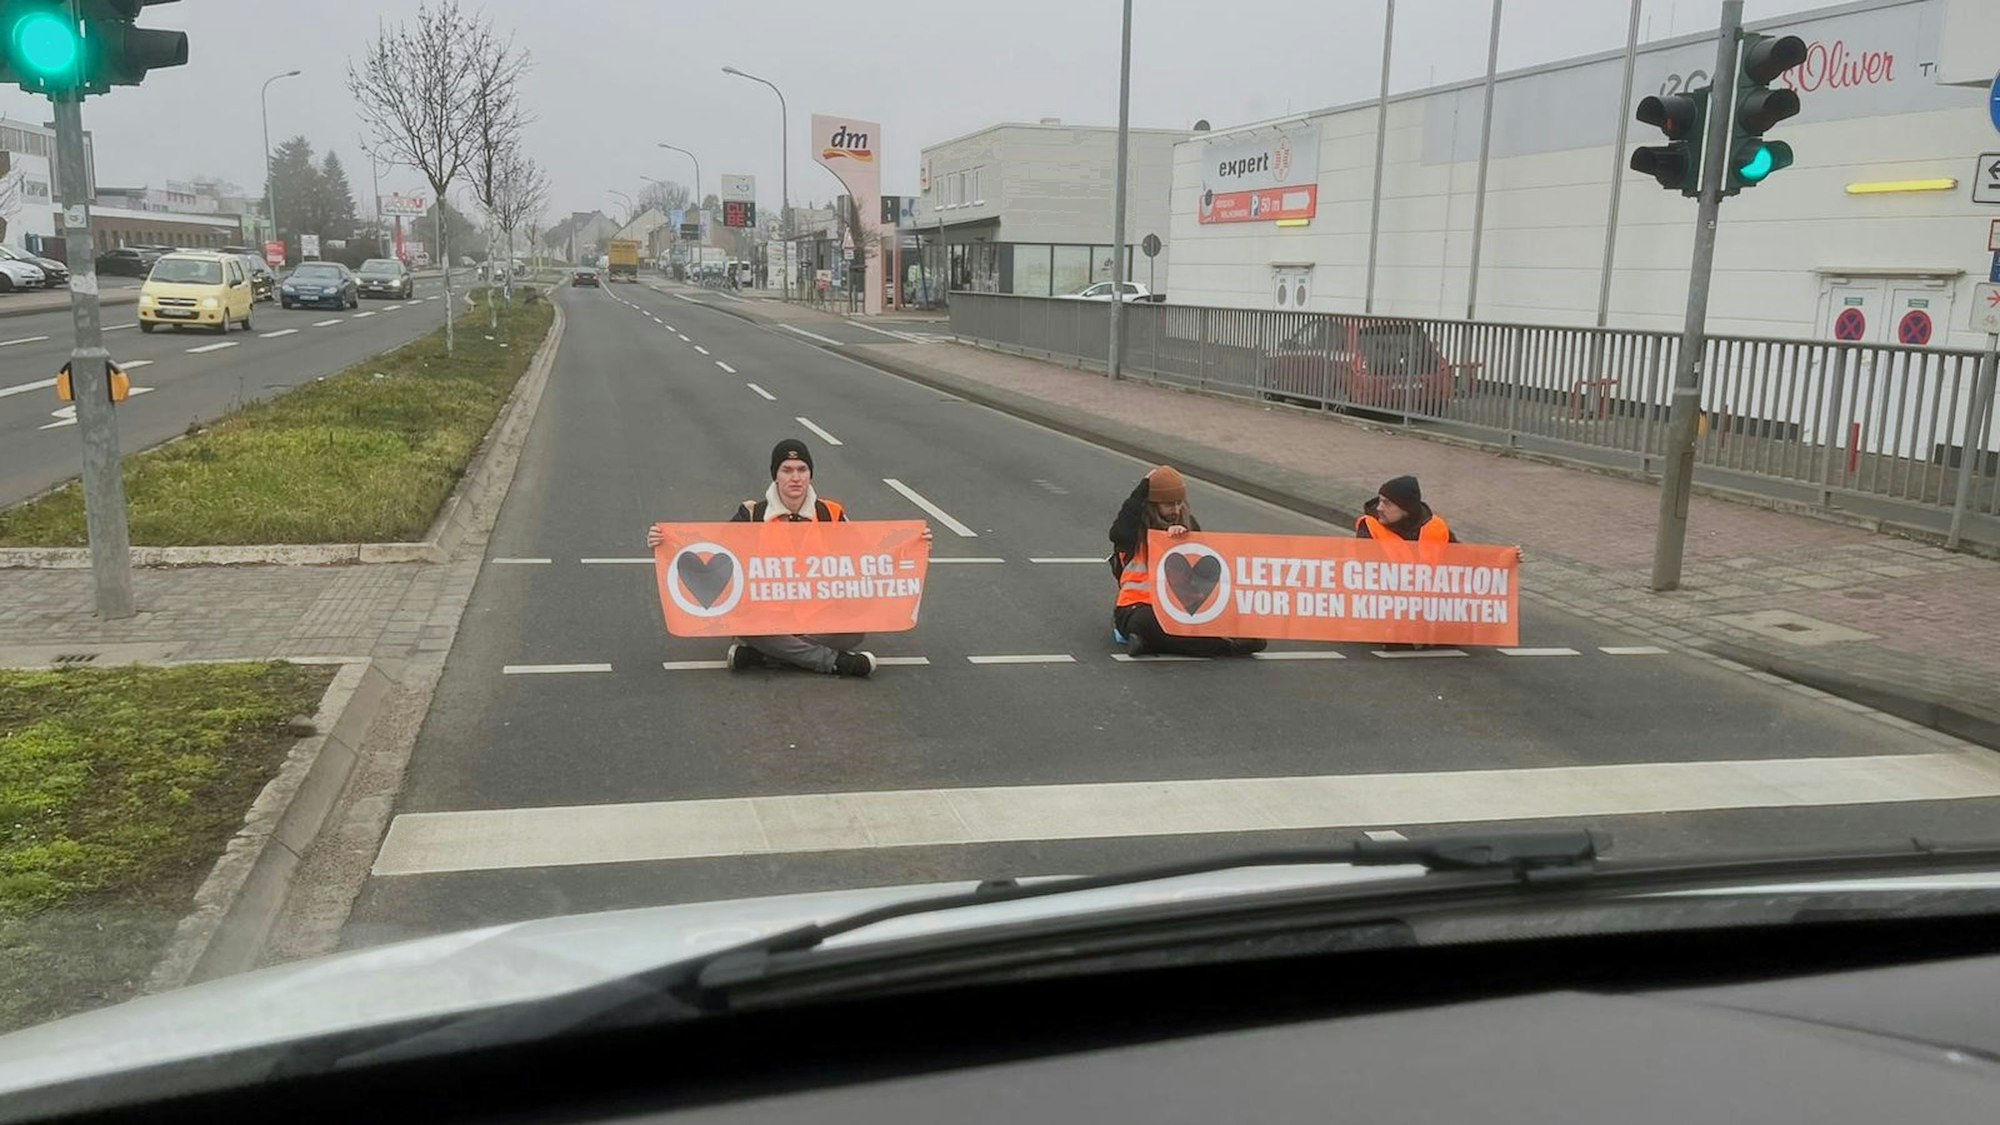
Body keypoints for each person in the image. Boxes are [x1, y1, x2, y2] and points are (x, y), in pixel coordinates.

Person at [646, 438, 930, 677]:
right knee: (749, 627)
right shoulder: (752, 514)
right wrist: (667, 544)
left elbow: (866, 559)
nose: (795, 477)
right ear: (775, 475)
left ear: (810, 474)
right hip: (766, 618)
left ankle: (765, 656)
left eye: (802, 469)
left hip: (820, 616)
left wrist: (910, 547)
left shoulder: (830, 513)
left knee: (855, 633)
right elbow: (715, 552)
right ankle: (835, 663)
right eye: (787, 469)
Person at [1108, 465, 1267, 659]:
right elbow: (1118, 533)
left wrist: (1185, 541)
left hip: (1183, 609)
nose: (1175, 510)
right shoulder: (1135, 532)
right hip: (1139, 606)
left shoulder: (1187, 523)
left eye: (1178, 503)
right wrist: (1144, 486)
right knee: (1144, 623)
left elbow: (1204, 573)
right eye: (1168, 504)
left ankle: (1151, 643)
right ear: (1152, 503)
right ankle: (1226, 646)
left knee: (1241, 620)